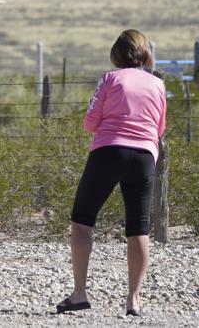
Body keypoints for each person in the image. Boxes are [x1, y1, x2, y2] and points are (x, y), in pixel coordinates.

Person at [57, 29, 166, 318]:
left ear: (116, 53)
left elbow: (91, 122)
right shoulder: (157, 84)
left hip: (108, 151)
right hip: (143, 156)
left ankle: (79, 293)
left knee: (82, 222)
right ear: (144, 54)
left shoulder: (109, 78)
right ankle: (134, 299)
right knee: (138, 229)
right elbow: (159, 128)